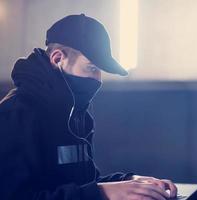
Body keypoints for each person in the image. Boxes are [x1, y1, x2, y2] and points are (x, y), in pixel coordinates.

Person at [0, 14, 177, 200]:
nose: (98, 79)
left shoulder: (77, 115)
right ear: (58, 59)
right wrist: (101, 193)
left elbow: (82, 186)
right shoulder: (14, 115)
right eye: (92, 68)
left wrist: (133, 182)